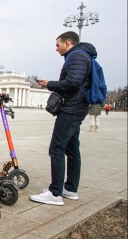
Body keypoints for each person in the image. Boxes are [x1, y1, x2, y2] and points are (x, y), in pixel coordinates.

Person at [31, 31, 94, 206]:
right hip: (77, 108)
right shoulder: (81, 55)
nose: (56, 49)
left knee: (56, 149)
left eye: (58, 45)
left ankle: (55, 193)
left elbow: (72, 82)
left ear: (68, 43)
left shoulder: (77, 56)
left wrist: (49, 84)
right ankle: (70, 189)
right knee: (72, 149)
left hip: (71, 109)